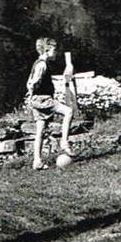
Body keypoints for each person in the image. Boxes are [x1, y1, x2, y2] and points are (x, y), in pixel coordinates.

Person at [26, 37, 74, 170]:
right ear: (47, 50)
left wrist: (30, 95)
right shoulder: (42, 64)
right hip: (43, 99)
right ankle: (64, 142)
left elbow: (30, 80)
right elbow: (33, 81)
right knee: (68, 111)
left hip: (36, 100)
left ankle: (37, 161)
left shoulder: (38, 63)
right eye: (54, 50)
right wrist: (31, 89)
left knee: (40, 129)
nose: (56, 53)